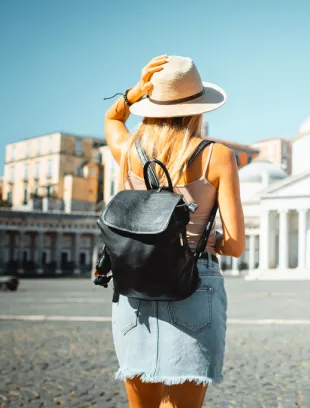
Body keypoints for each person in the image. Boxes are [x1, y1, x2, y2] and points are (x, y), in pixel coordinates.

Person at [104, 55, 245, 408]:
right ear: (199, 108)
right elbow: (236, 244)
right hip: (192, 285)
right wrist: (195, 240)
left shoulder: (128, 150)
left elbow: (112, 117)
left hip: (134, 287)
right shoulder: (217, 156)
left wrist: (134, 92)